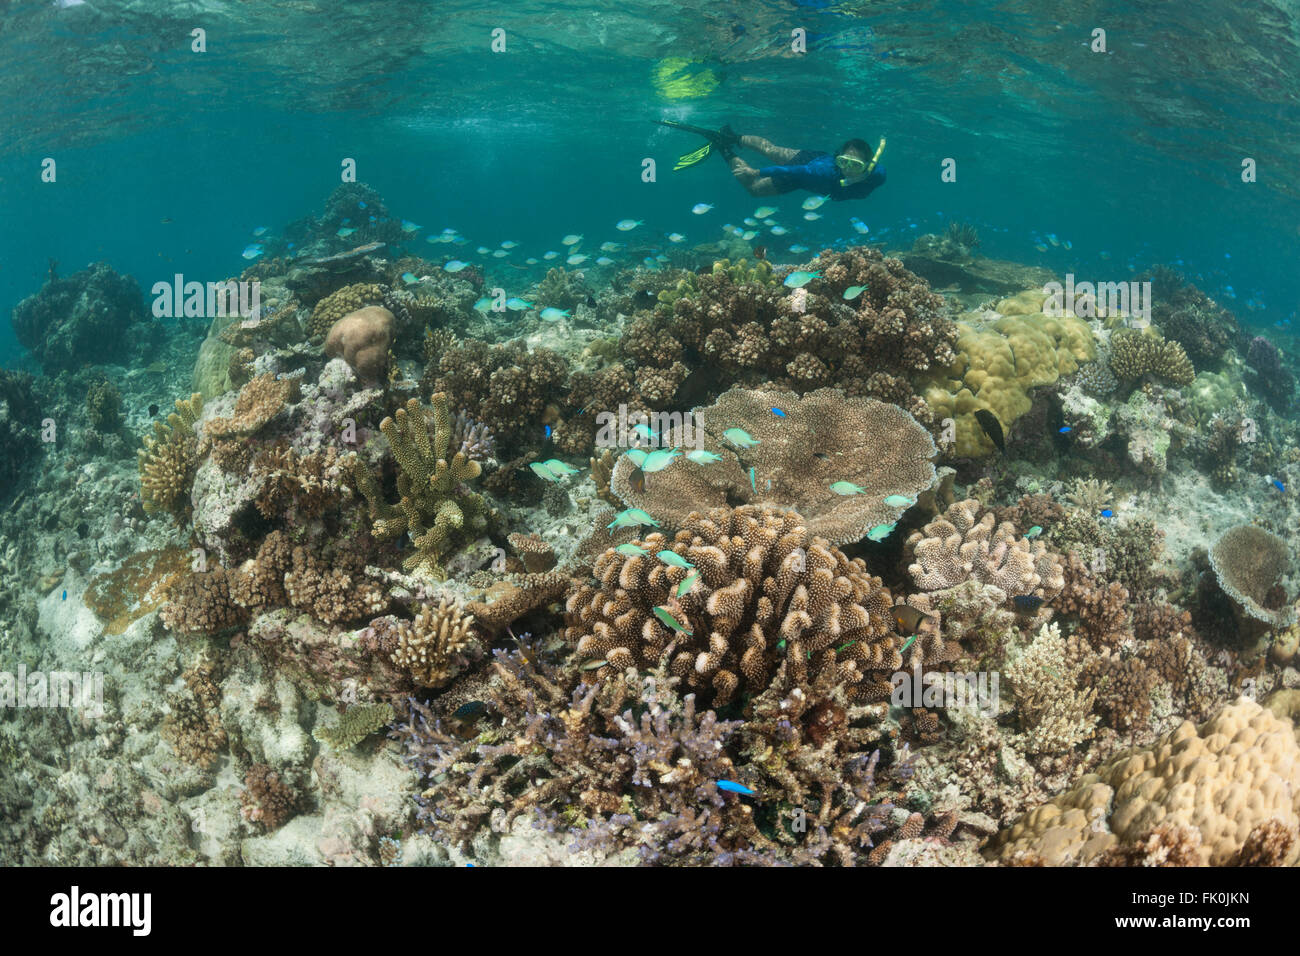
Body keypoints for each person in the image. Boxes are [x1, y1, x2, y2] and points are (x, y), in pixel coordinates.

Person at [657, 121, 886, 200]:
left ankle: (726, 142)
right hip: (805, 169)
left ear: (867, 166)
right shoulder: (825, 173)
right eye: (844, 162)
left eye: (855, 165)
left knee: (769, 158)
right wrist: (756, 172)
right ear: (837, 159)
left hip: (807, 172)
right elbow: (798, 172)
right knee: (757, 182)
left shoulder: (877, 175)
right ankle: (727, 142)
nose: (847, 170)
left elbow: (880, 172)